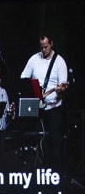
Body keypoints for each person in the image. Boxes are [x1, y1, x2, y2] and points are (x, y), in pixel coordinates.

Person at [19, 35, 70, 170]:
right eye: (41, 47)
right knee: (36, 139)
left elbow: (63, 86)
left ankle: (55, 172)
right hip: (37, 108)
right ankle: (37, 171)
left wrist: (60, 90)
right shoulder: (34, 59)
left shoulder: (59, 62)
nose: (43, 50)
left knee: (54, 141)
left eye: (46, 47)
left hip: (54, 107)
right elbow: (23, 78)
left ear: (51, 44)